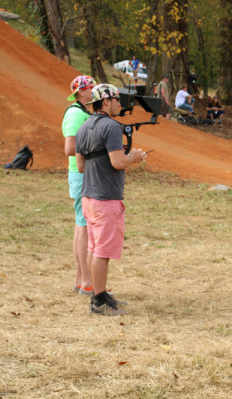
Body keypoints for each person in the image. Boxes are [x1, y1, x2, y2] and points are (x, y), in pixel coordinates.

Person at [75, 84, 147, 316]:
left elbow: (80, 165)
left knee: (94, 248)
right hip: (106, 199)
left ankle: (99, 292)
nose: (119, 104)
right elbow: (117, 162)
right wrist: (133, 157)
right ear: (106, 101)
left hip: (89, 196)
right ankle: (99, 302)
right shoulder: (112, 127)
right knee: (102, 252)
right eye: (117, 99)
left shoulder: (84, 126)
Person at [62, 75, 96, 296]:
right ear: (81, 92)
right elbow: (70, 148)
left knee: (80, 225)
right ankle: (86, 282)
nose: (93, 92)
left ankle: (80, 280)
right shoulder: (75, 113)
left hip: (80, 173)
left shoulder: (80, 112)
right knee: (84, 227)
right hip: (81, 173)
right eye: (91, 88)